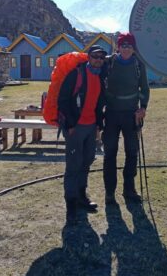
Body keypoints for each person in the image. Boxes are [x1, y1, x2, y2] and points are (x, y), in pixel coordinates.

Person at [58, 45, 107, 224]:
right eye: (95, 56)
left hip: (90, 126)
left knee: (86, 161)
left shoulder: (100, 77)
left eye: (101, 57)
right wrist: (70, 125)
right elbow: (62, 99)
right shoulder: (76, 75)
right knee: (73, 165)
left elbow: (99, 103)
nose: (98, 60)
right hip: (75, 128)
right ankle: (71, 203)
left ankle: (81, 196)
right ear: (88, 57)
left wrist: (98, 125)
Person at [102, 32, 150, 205]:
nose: (126, 48)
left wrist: (143, 107)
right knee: (110, 153)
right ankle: (109, 192)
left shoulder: (138, 64)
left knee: (131, 152)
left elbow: (144, 88)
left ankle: (129, 190)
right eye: (123, 45)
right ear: (118, 47)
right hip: (112, 113)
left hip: (131, 114)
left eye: (129, 45)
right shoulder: (109, 62)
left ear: (133, 47)